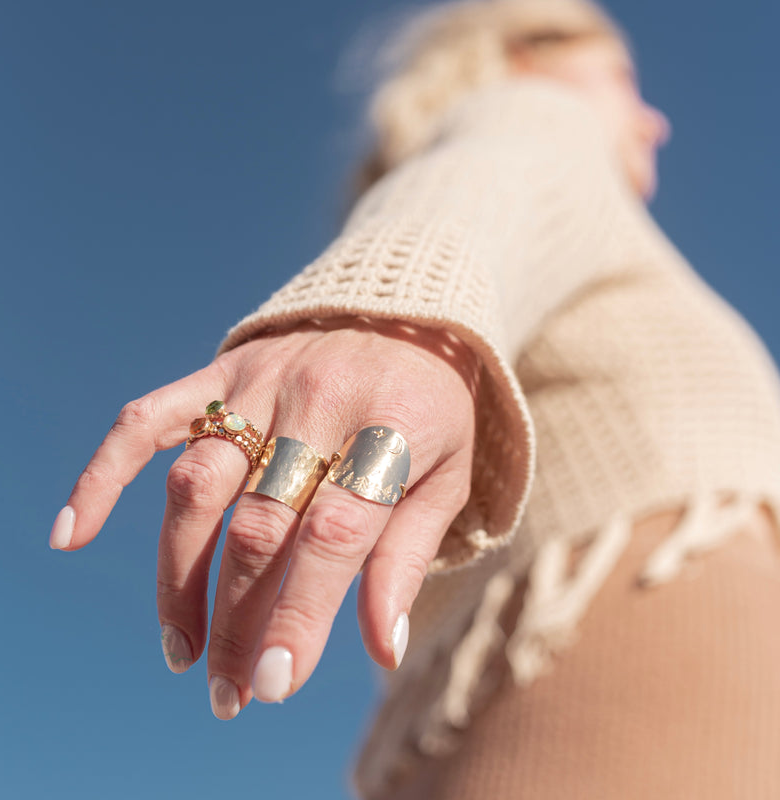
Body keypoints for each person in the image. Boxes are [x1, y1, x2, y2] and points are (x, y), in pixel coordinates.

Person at [50, 0, 780, 796]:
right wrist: (386, 310)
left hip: (457, 712)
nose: (656, 121)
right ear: (525, 56)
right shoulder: (534, 107)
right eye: (623, 78)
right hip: (650, 631)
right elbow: (494, 168)